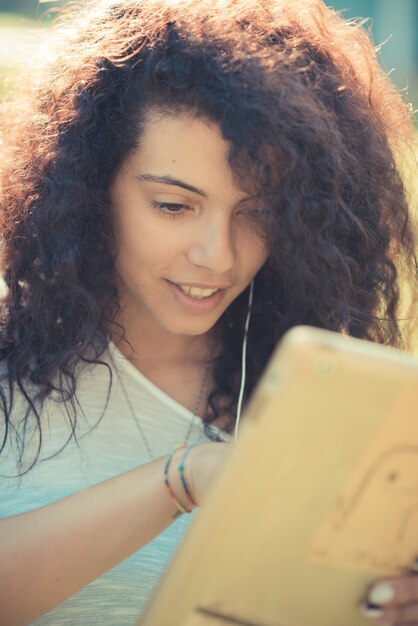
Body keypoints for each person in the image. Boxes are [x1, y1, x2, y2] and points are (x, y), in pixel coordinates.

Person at [0, 0, 417, 623]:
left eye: (258, 213)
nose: (218, 257)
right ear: (88, 188)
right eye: (173, 206)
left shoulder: (326, 388)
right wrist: (182, 480)